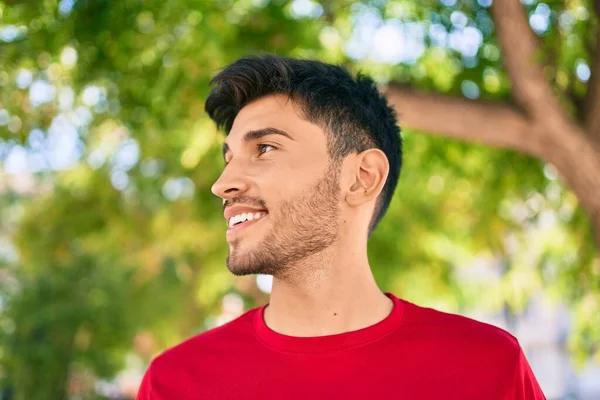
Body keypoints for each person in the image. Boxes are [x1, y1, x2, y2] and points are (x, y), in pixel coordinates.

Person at [137, 55, 546, 399]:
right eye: (229, 158)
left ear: (362, 177)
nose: (222, 184)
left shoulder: (488, 369)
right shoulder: (175, 383)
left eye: (264, 148)